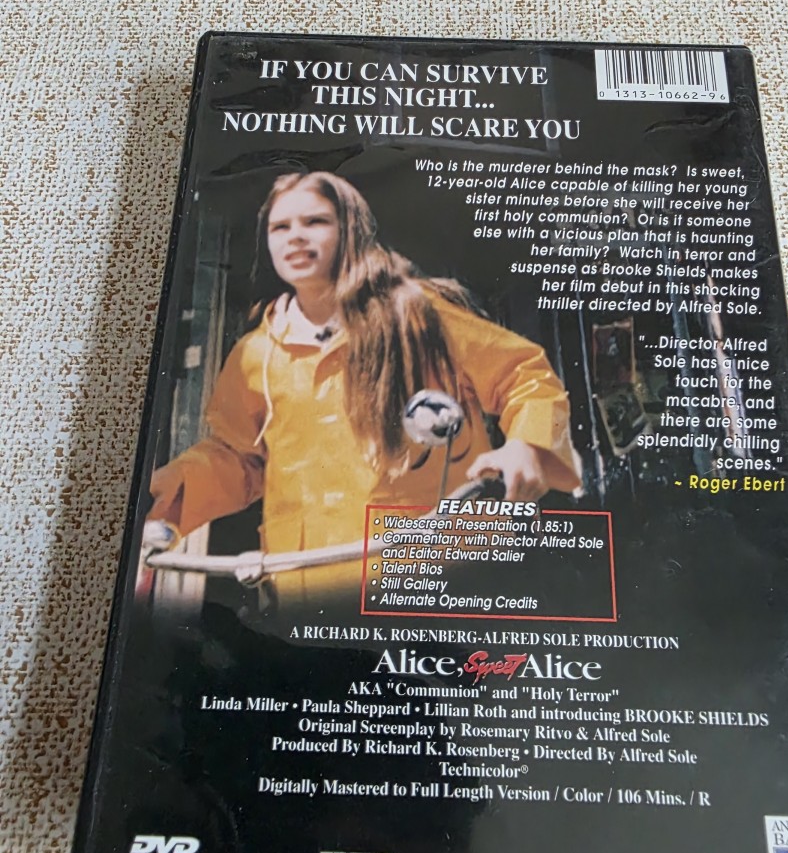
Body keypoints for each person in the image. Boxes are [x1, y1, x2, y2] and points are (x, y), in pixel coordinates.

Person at [147, 171, 581, 603]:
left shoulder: (416, 316)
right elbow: (238, 457)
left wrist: (526, 445)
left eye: (315, 221)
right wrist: (160, 503)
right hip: (307, 592)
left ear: (351, 231)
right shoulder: (255, 353)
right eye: (281, 227)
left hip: (434, 578)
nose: (295, 236)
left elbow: (525, 376)